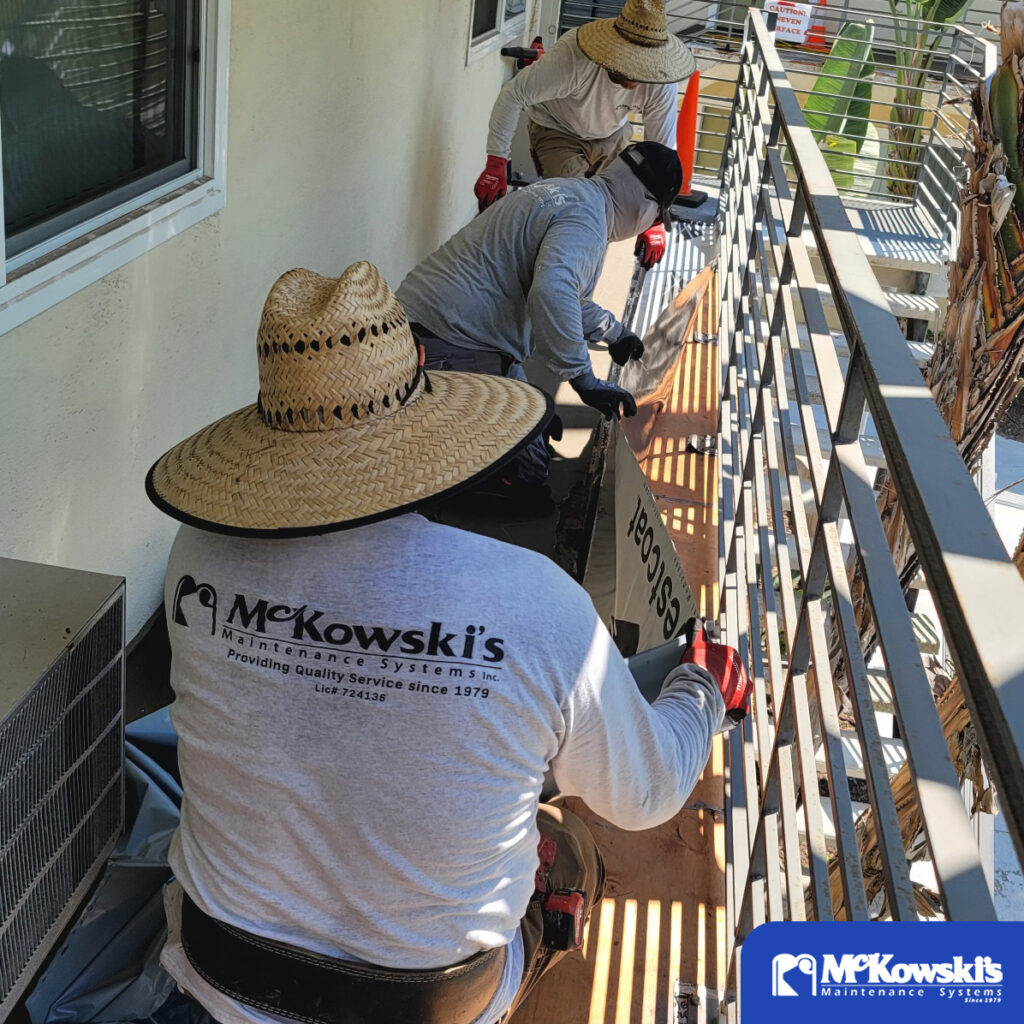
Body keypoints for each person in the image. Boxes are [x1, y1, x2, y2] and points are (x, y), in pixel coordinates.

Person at [145, 261, 752, 1024]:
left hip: (217, 970)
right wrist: (703, 691)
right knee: (565, 842)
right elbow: (647, 792)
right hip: (422, 1006)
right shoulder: (535, 606)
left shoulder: (197, 554)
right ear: (425, 418)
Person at [398, 140, 681, 490]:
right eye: (657, 216)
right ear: (645, 205)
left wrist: (615, 333)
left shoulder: (573, 194)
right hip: (443, 342)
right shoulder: (588, 223)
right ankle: (429, 453)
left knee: (535, 419)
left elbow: (566, 293)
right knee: (526, 472)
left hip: (434, 325)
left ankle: (460, 418)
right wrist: (584, 381)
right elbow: (552, 292)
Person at [474, 0, 695, 269]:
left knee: (610, 216)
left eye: (641, 67)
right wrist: (496, 161)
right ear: (613, 47)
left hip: (611, 133)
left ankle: (576, 275)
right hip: (557, 128)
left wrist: (656, 219)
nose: (633, 76)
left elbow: (661, 153)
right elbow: (514, 95)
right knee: (573, 212)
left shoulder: (660, 82)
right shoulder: (574, 59)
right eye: (629, 62)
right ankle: (544, 274)